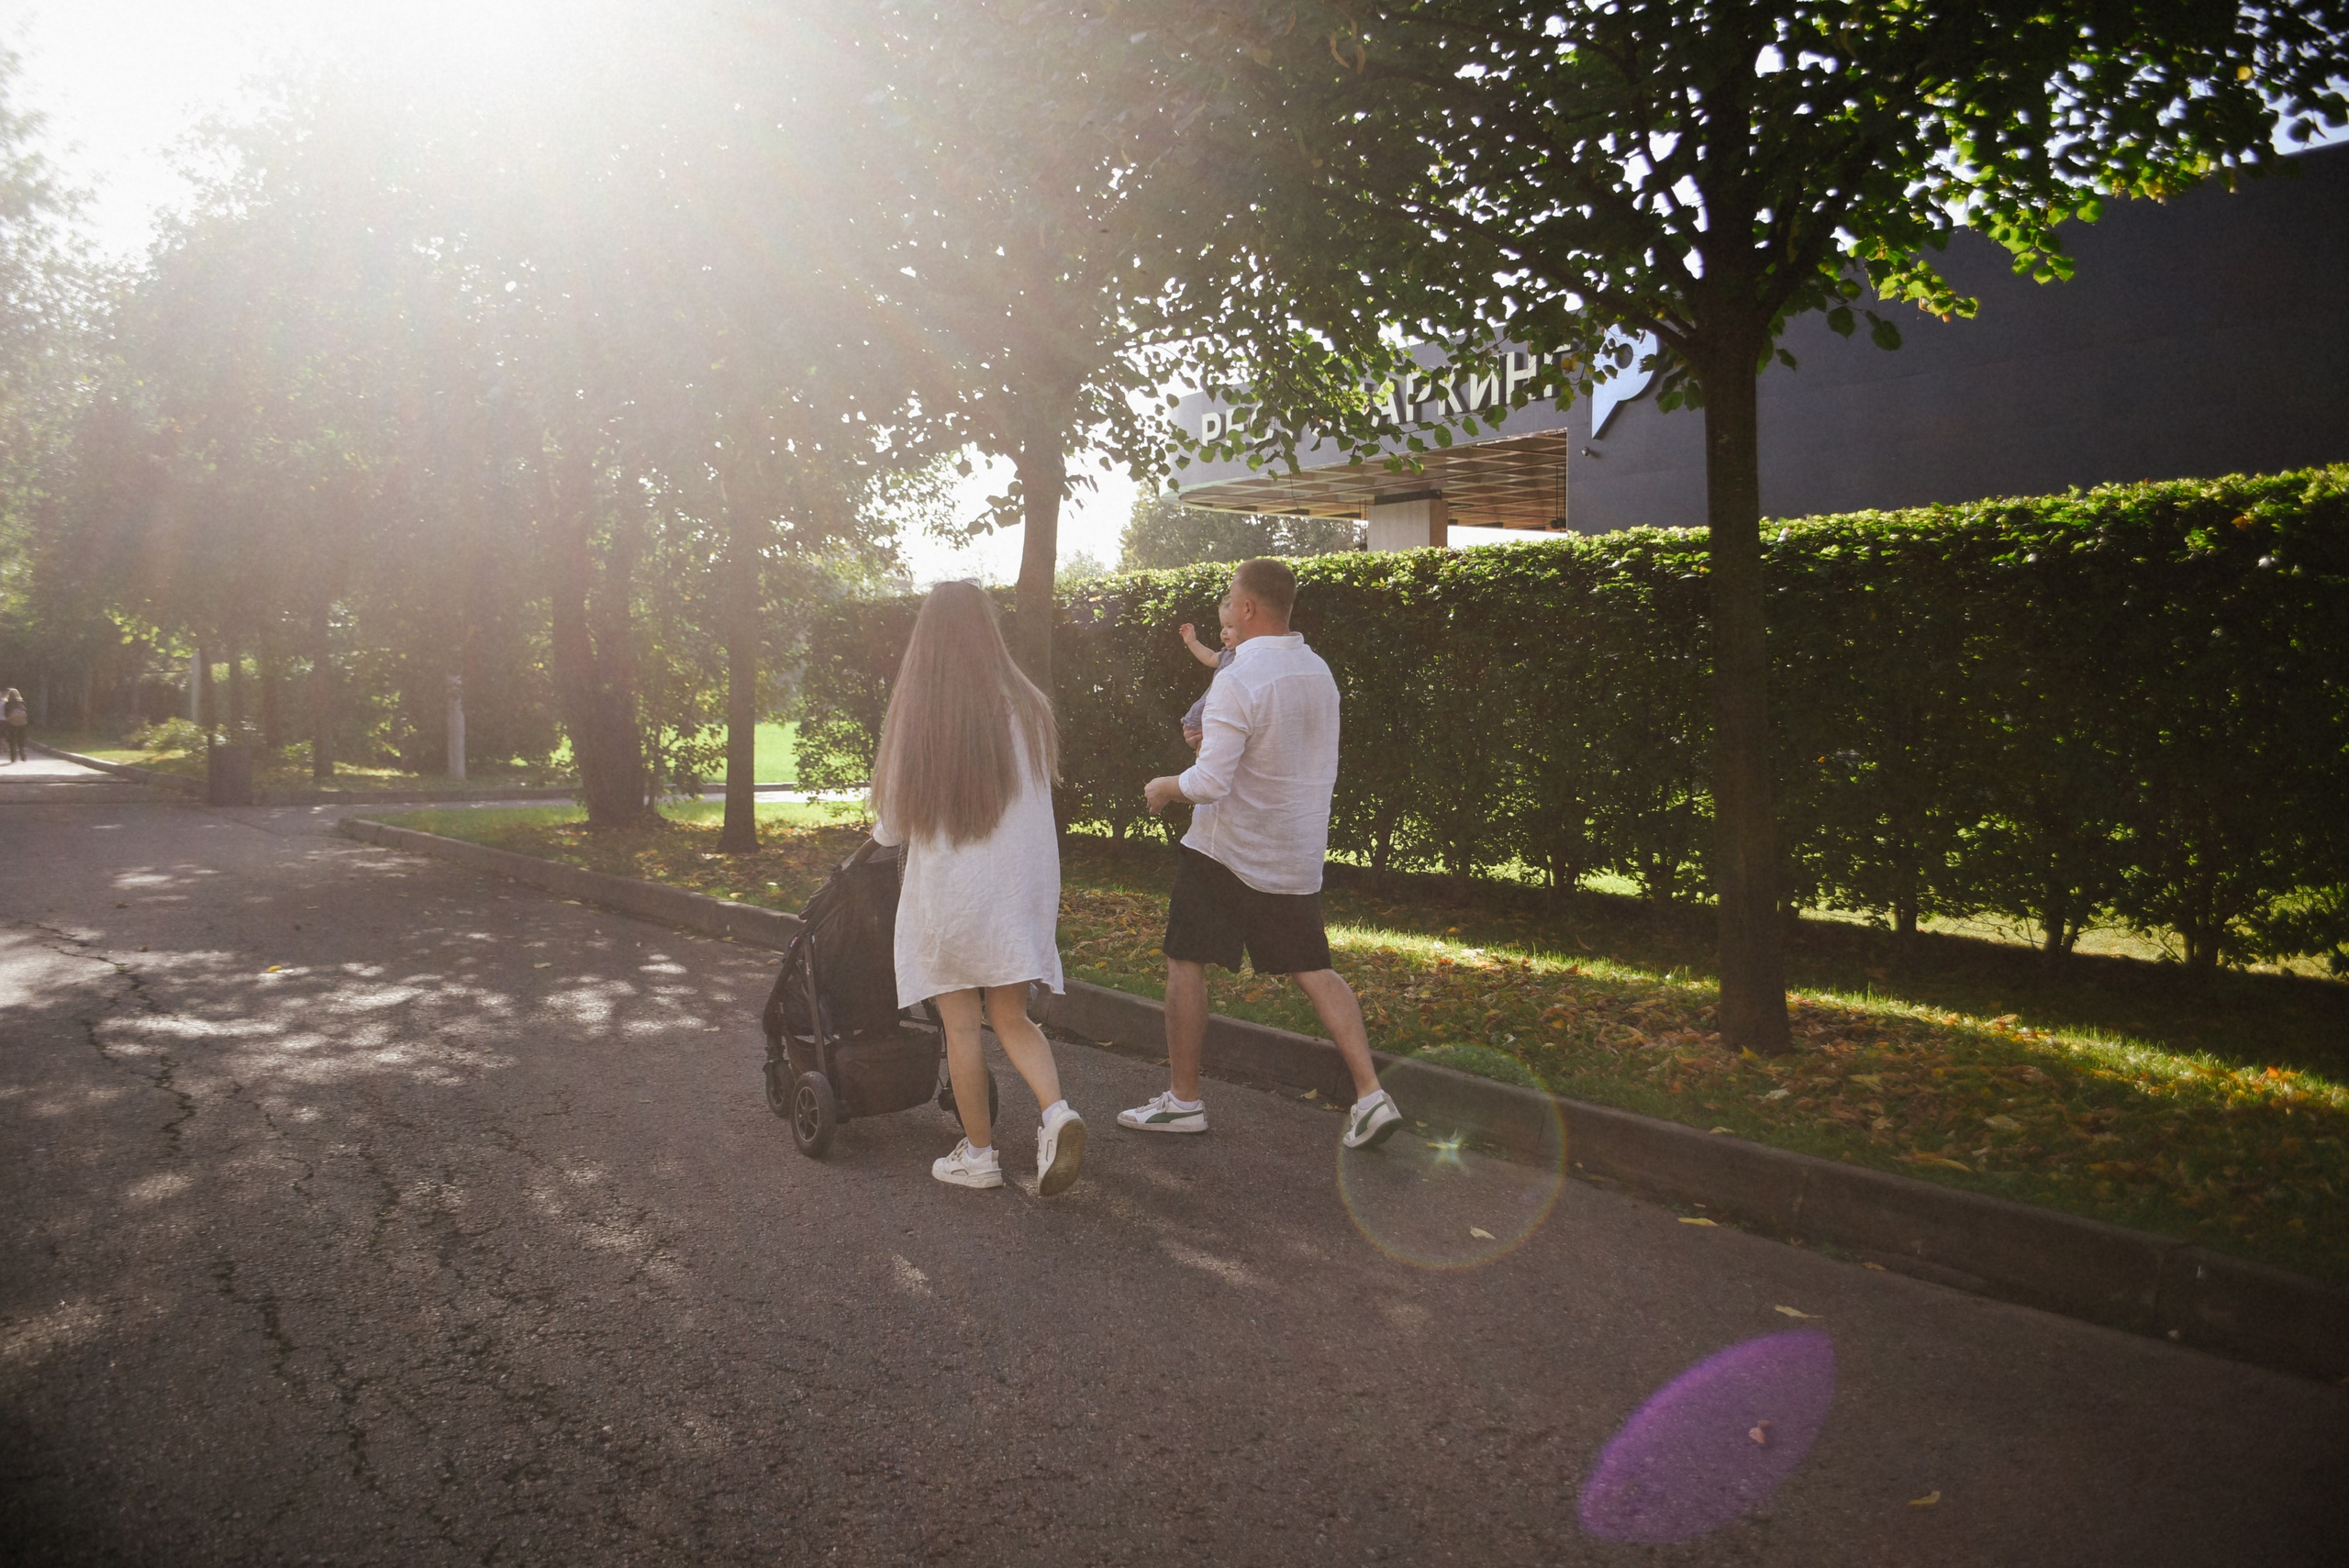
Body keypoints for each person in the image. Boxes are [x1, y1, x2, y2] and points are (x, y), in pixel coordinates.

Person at [1121, 558, 1403, 1150]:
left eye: (1231, 597)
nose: (1227, 606)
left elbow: (1208, 784)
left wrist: (1163, 786)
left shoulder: (1240, 678)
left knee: (1185, 959)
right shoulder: (1317, 671)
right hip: (1293, 853)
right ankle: (1372, 1096)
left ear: (1247, 607)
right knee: (1315, 968)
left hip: (1224, 850)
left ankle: (1183, 1102)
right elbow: (1280, 750)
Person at [870, 581, 1085, 1194]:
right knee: (1011, 1016)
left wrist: (875, 836)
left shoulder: (923, 710)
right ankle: (1056, 1115)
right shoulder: (1029, 704)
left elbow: (893, 823)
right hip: (1018, 887)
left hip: (952, 897)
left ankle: (980, 1155)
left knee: (961, 1026)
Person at [1175, 610, 1236, 751]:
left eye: (1230, 626)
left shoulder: (1246, 655)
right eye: (1223, 627)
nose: (1224, 632)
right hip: (1206, 712)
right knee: (1203, 747)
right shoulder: (1228, 654)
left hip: (1219, 714)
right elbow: (1209, 657)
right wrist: (1192, 642)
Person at [2, 689, 26, 763]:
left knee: (12, 740)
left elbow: (6, 714)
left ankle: (13, 757)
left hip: (11, 723)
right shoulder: (21, 703)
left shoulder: (8, 704)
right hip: (22, 724)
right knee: (21, 739)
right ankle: (23, 754)